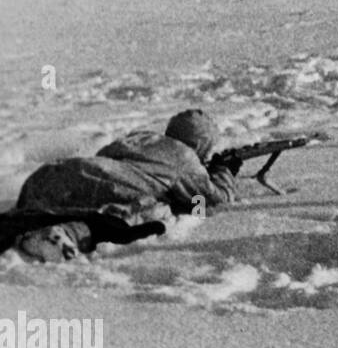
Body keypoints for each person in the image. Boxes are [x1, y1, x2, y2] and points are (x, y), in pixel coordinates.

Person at [1, 109, 240, 263]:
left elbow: (107, 155)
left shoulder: (140, 138)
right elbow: (214, 199)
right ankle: (65, 234)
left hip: (53, 174)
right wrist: (224, 171)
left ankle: (18, 228)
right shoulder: (186, 159)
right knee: (152, 212)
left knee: (32, 213)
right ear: (200, 145)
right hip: (102, 190)